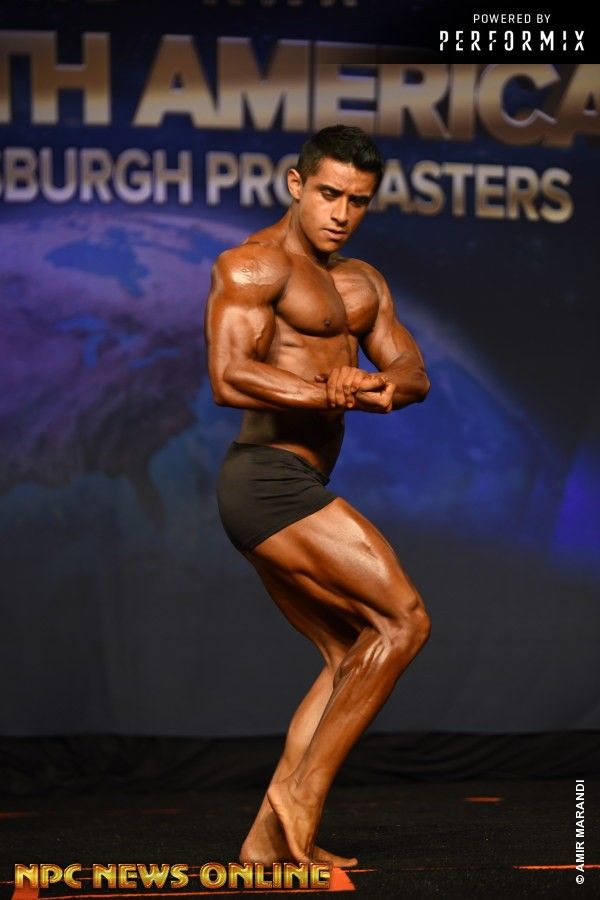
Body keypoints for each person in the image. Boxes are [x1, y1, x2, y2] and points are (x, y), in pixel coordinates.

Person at [204, 125, 431, 868]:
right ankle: (299, 797)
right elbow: (229, 374)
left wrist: (376, 384)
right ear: (296, 185)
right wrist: (321, 389)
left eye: (357, 201)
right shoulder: (252, 265)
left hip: (299, 481)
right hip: (265, 479)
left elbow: (413, 372)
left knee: (348, 653)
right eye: (329, 193)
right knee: (403, 620)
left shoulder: (364, 282)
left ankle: (265, 843)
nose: (341, 212)